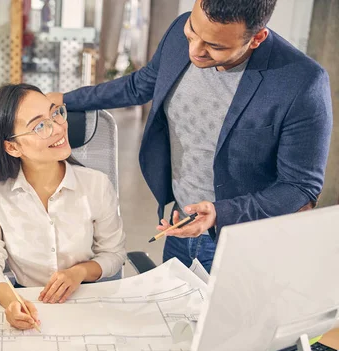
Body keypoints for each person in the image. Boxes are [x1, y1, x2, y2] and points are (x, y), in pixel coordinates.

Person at [47, 0, 332, 272]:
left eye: (215, 46)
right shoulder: (181, 30)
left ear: (257, 38)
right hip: (181, 224)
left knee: (223, 323)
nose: (195, 50)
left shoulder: (301, 82)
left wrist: (221, 213)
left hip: (242, 243)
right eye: (193, 32)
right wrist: (63, 99)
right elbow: (140, 84)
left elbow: (300, 186)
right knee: (178, 319)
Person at [0, 84, 126, 330]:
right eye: (39, 125)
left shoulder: (96, 184)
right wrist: (11, 302)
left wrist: (79, 272)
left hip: (88, 307)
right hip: (31, 306)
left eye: (56, 113)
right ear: (13, 147)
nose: (58, 127)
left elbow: (114, 254)